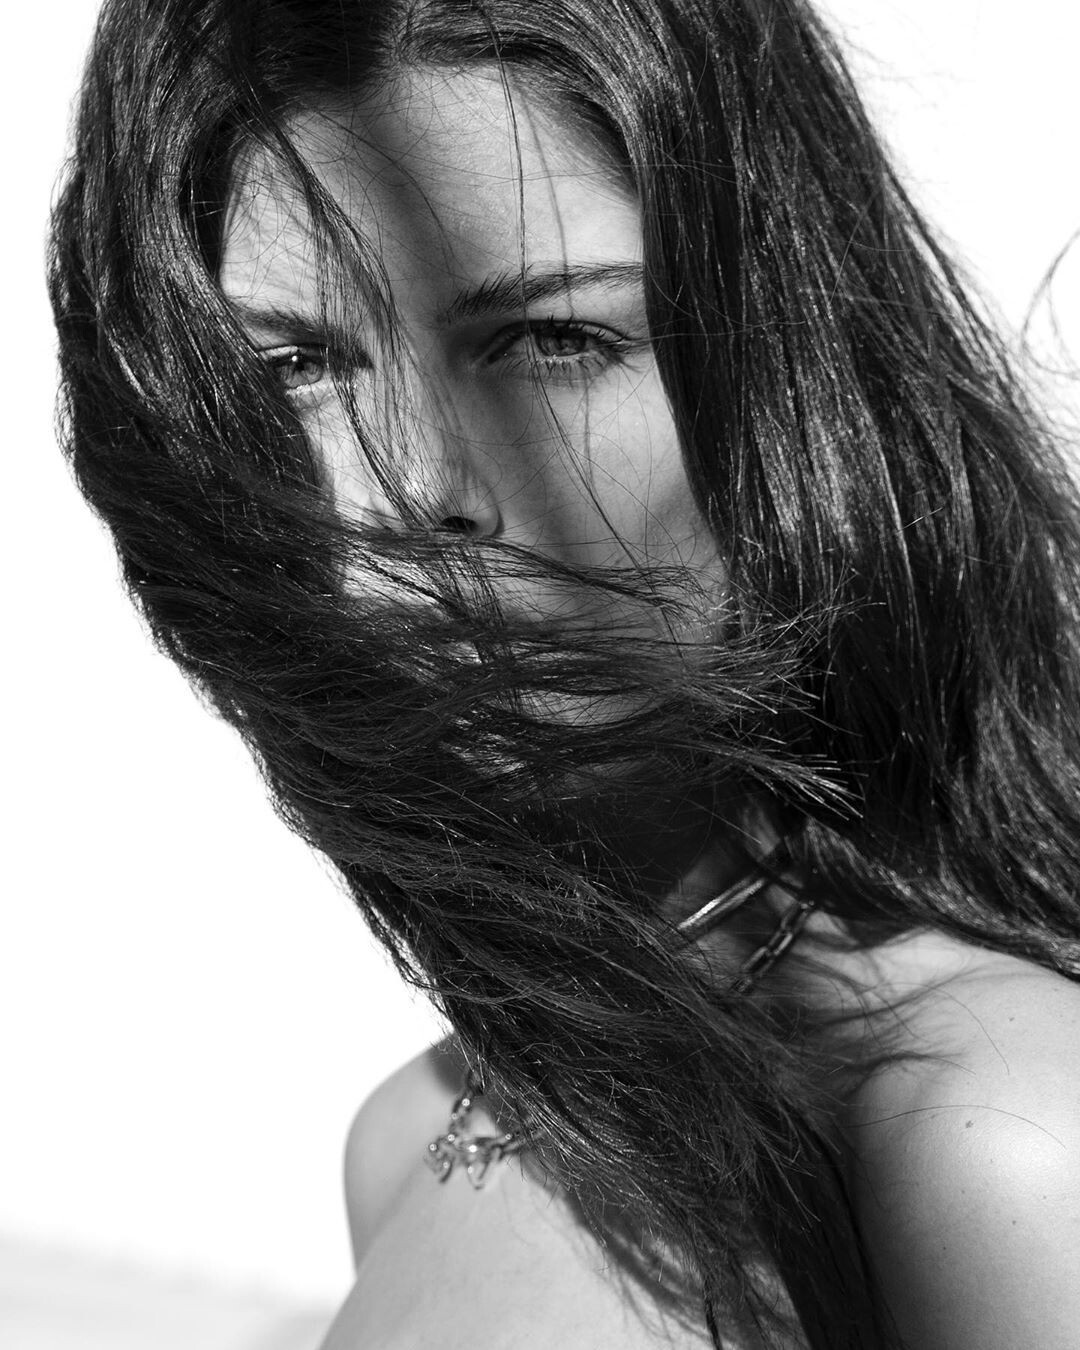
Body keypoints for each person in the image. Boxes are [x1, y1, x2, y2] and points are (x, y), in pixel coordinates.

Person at [49, 0, 1080, 1346]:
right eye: (297, 368)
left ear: (792, 379)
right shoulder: (416, 1133)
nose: (409, 488)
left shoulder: (991, 1132)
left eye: (551, 341)